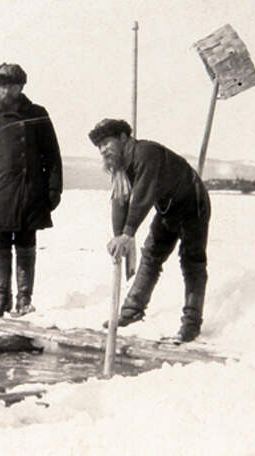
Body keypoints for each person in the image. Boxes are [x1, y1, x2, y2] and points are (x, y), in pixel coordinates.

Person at [88, 119, 211, 342]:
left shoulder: (146, 154)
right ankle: (131, 312)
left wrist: (128, 233)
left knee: (192, 261)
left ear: (124, 138)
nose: (103, 149)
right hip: (168, 209)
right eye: (99, 146)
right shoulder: (119, 168)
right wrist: (119, 235)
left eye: (107, 142)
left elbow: (142, 196)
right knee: (151, 256)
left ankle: (191, 324)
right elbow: (120, 200)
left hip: (193, 202)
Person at [0, 63, 63, 319]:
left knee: (26, 242)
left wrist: (54, 188)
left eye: (10, 85)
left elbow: (52, 155)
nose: (5, 90)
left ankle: (24, 299)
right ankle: (2, 297)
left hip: (30, 191)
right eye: (1, 85)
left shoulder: (37, 114)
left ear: (21, 86)